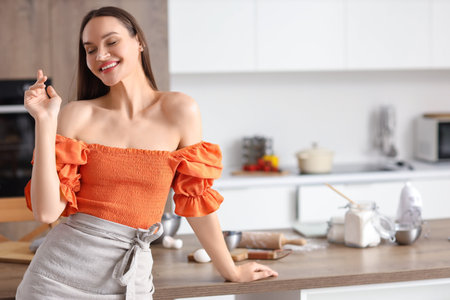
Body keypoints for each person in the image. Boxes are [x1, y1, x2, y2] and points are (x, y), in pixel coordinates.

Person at [16, 6, 277, 299]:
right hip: (55, 281)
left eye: (111, 42)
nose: (100, 55)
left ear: (139, 41)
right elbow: (46, 211)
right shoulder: (77, 115)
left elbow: (195, 200)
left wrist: (230, 270)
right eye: (90, 49)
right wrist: (44, 121)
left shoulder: (179, 110)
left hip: (132, 280)